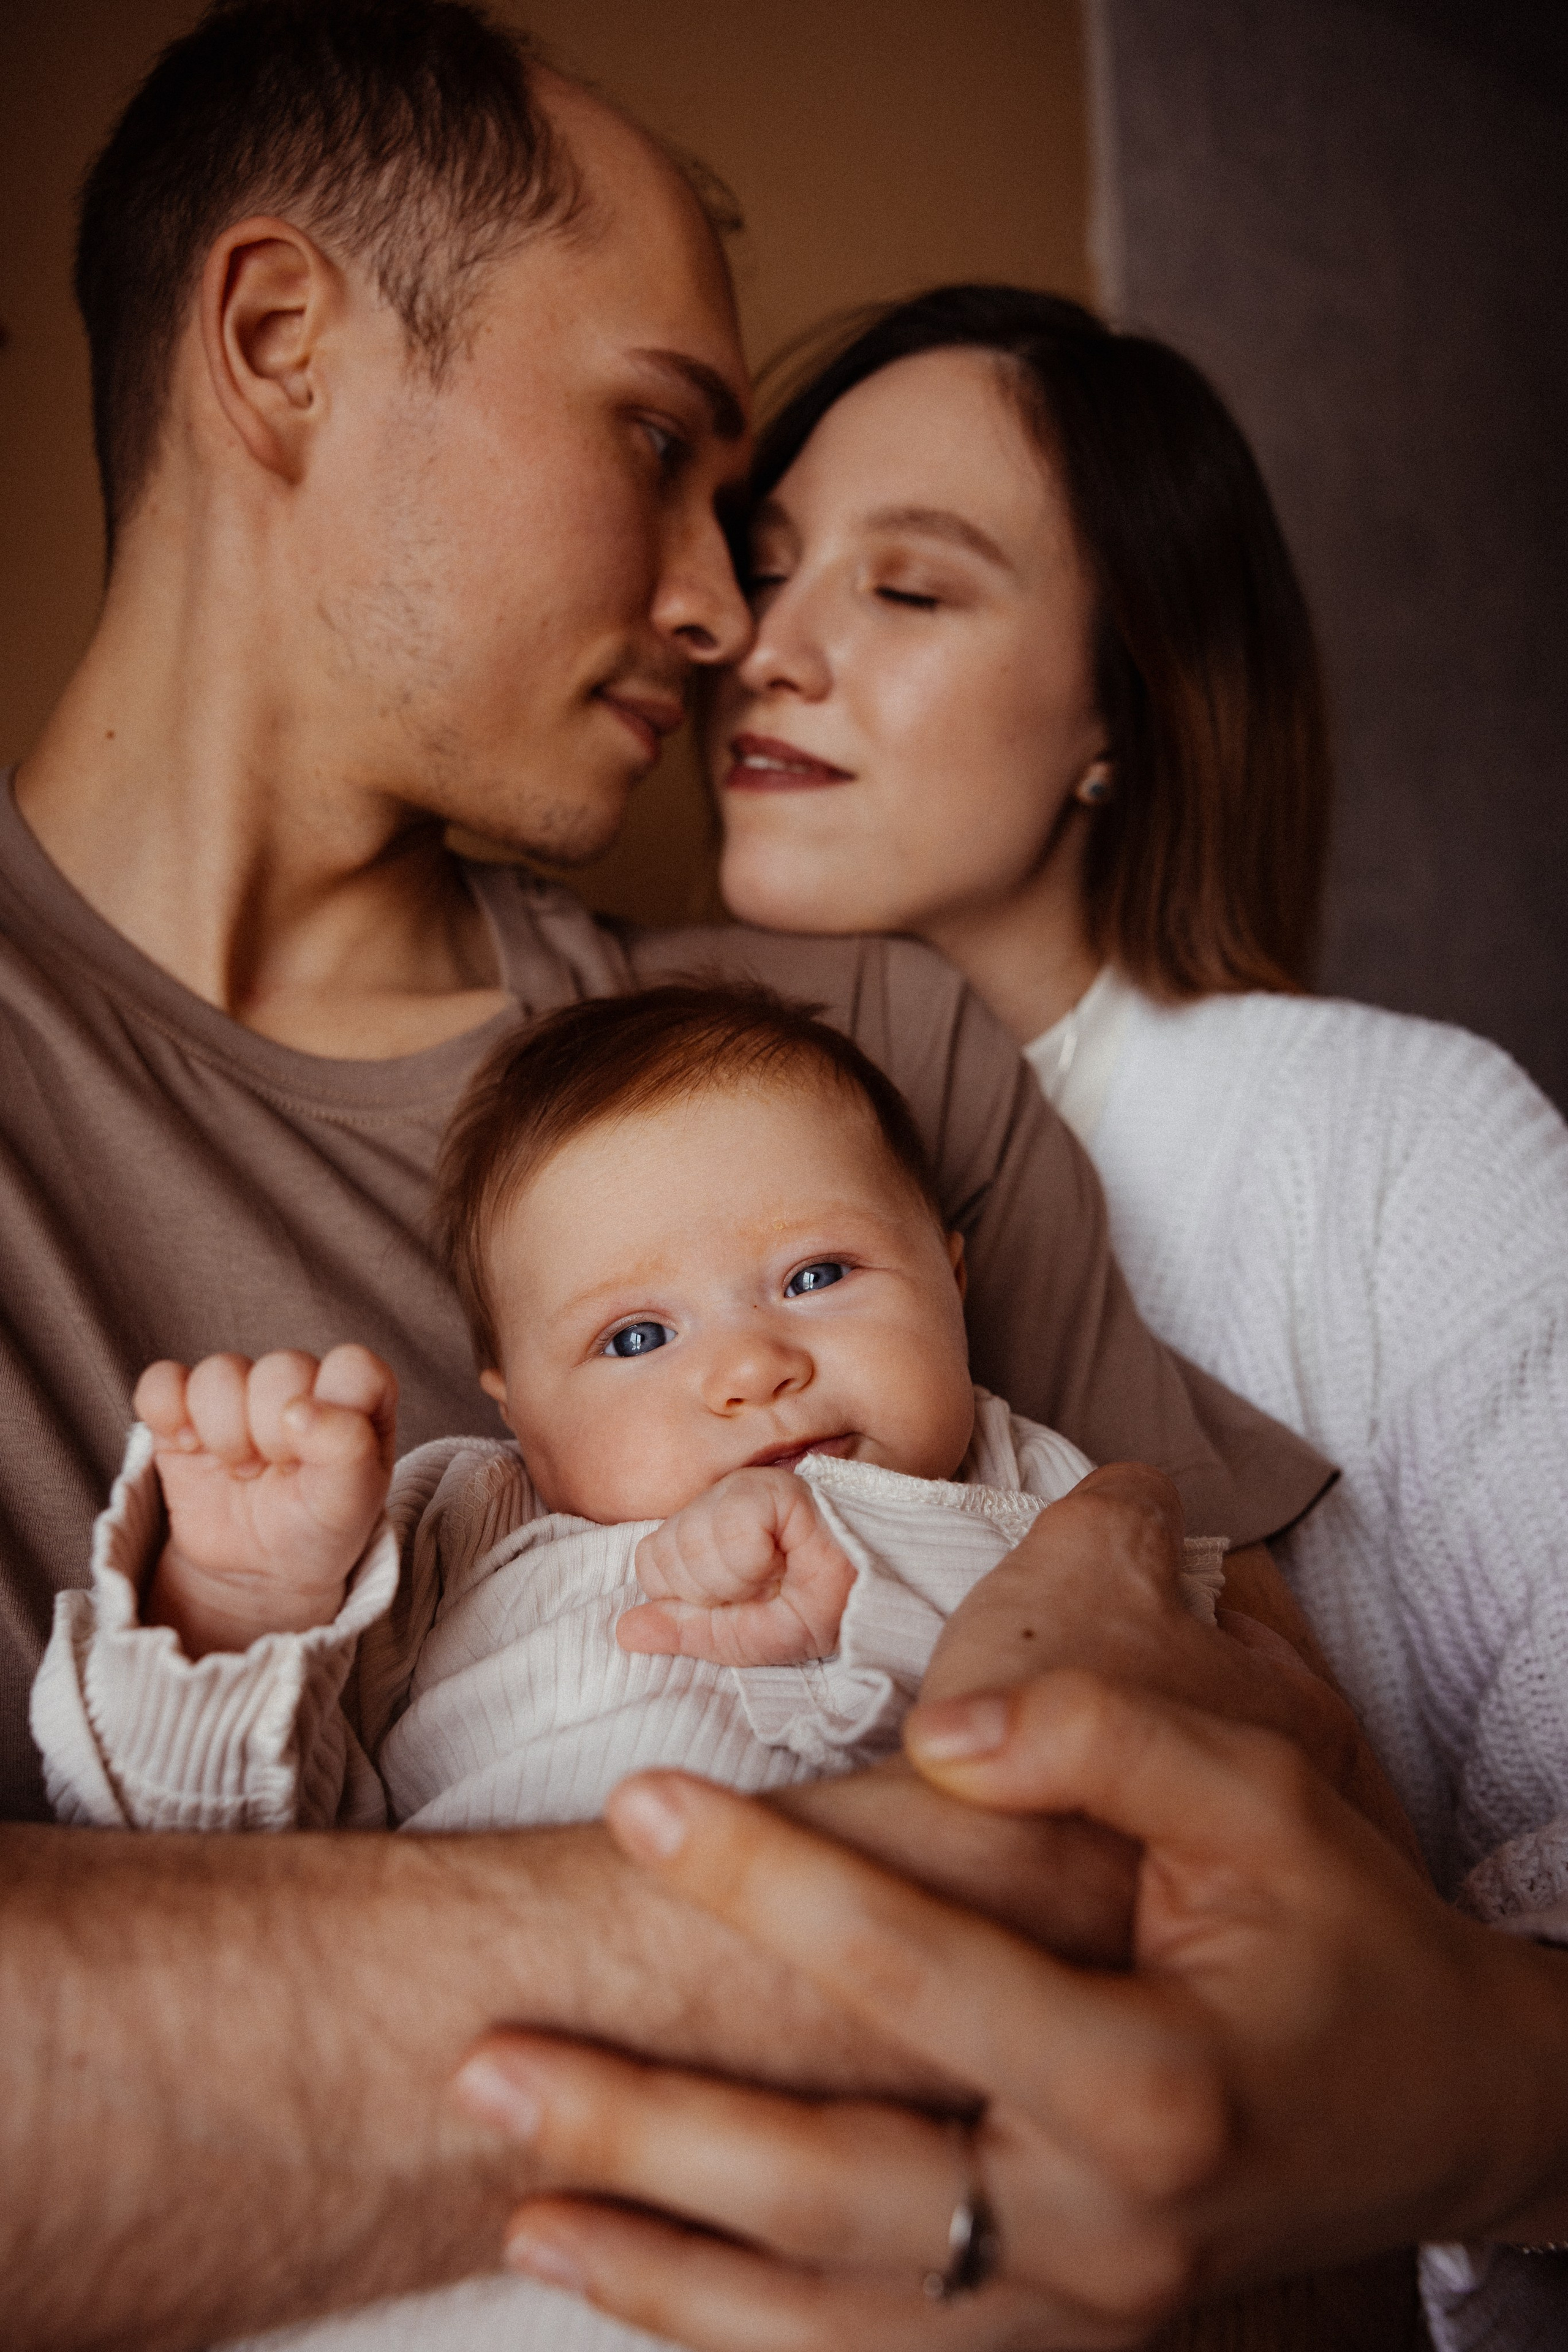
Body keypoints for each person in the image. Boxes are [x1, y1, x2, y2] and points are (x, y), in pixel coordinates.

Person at [0, 13, 1348, 2348]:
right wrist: (929, 1897)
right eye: (654, 441)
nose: (727, 612)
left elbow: (1292, 1835)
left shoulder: (858, 1046)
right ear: (283, 346)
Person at [685, 278, 1568, 2343]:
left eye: (911, 591)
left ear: (1124, 709)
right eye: (770, 566)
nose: (771, 647)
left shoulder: (1386, 1143)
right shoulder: (601, 1136)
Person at [464, 1658, 1568, 2352]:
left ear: (951, 1277)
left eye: (820, 1272)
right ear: (513, 1403)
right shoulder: (464, 1517)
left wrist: (1508, 2105)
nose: (751, 1371)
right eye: (635, 1342)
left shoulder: (1003, 1473)